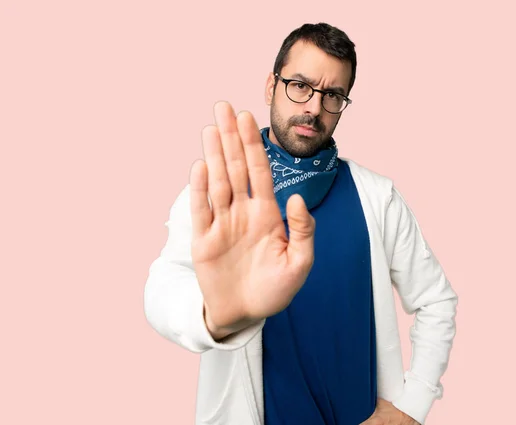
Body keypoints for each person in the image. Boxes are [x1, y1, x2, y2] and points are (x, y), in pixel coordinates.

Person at [144, 22, 458, 425]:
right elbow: (161, 288)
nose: (313, 107)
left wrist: (413, 405)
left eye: (332, 95)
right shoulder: (221, 190)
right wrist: (214, 317)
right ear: (271, 86)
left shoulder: (377, 197)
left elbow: (436, 299)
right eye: (300, 86)